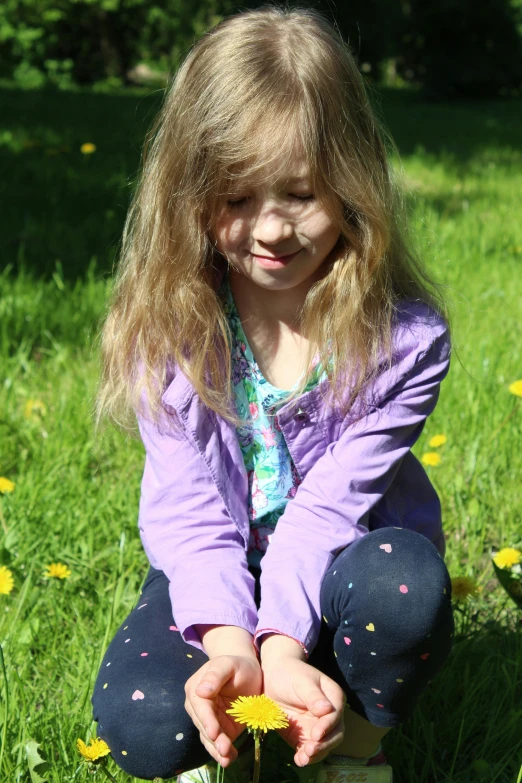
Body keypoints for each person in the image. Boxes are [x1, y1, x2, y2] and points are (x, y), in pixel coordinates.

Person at [92, 6, 455, 783]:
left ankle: (354, 748)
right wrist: (233, 648)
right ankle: (215, 718)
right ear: (189, 193)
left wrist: (284, 646)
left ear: (353, 181)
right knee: (142, 721)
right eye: (236, 198)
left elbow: (329, 509)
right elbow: (188, 514)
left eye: (299, 193)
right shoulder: (170, 330)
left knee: (405, 587)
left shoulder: (404, 342)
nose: (271, 229)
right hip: (215, 575)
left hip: (342, 569)